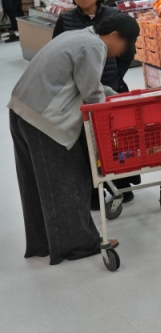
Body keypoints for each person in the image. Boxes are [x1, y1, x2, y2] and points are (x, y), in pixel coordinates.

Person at [8, 13, 139, 265]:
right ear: (113, 37)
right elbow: (91, 94)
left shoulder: (76, 36)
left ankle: (44, 242)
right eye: (126, 44)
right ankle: (78, 245)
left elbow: (87, 84)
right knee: (70, 180)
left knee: (36, 184)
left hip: (21, 111)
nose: (123, 52)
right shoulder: (95, 46)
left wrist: (116, 96)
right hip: (44, 121)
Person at [52, 0, 140, 208]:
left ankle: (122, 185)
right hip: (80, 93)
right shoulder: (66, 19)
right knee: (87, 143)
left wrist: (115, 76)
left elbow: (127, 50)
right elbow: (60, 49)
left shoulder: (113, 16)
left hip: (110, 86)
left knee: (118, 139)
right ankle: (94, 193)